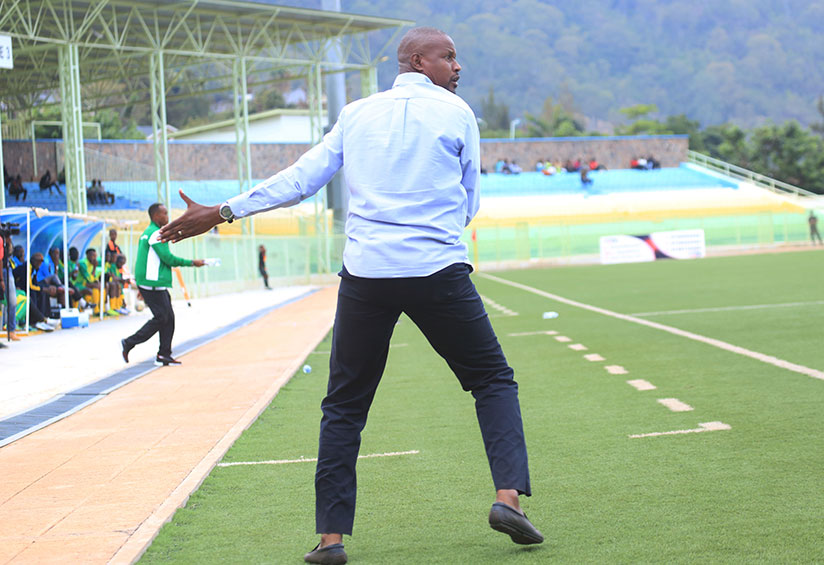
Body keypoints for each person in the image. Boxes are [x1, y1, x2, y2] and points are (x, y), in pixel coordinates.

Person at [156, 26, 542, 564]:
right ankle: (508, 501)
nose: (458, 67)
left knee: (343, 406)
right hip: (437, 269)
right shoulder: (459, 115)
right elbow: (469, 195)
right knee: (492, 380)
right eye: (449, 56)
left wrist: (221, 211)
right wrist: (438, 237)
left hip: (366, 275)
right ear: (416, 60)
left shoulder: (357, 114)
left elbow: (301, 180)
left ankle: (331, 540)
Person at [121, 203, 205, 366]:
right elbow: (168, 259)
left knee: (169, 318)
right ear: (155, 216)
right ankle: (129, 342)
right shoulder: (155, 234)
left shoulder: (151, 232)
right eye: (164, 214)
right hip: (152, 282)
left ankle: (163, 354)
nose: (167, 217)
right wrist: (192, 263)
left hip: (153, 282)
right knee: (161, 317)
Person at [0, 231, 20, 341]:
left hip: (6, 270)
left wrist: (8, 241)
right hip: (2, 272)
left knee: (12, 301)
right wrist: (1, 280)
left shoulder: (4, 241)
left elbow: (7, 254)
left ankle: (11, 330)